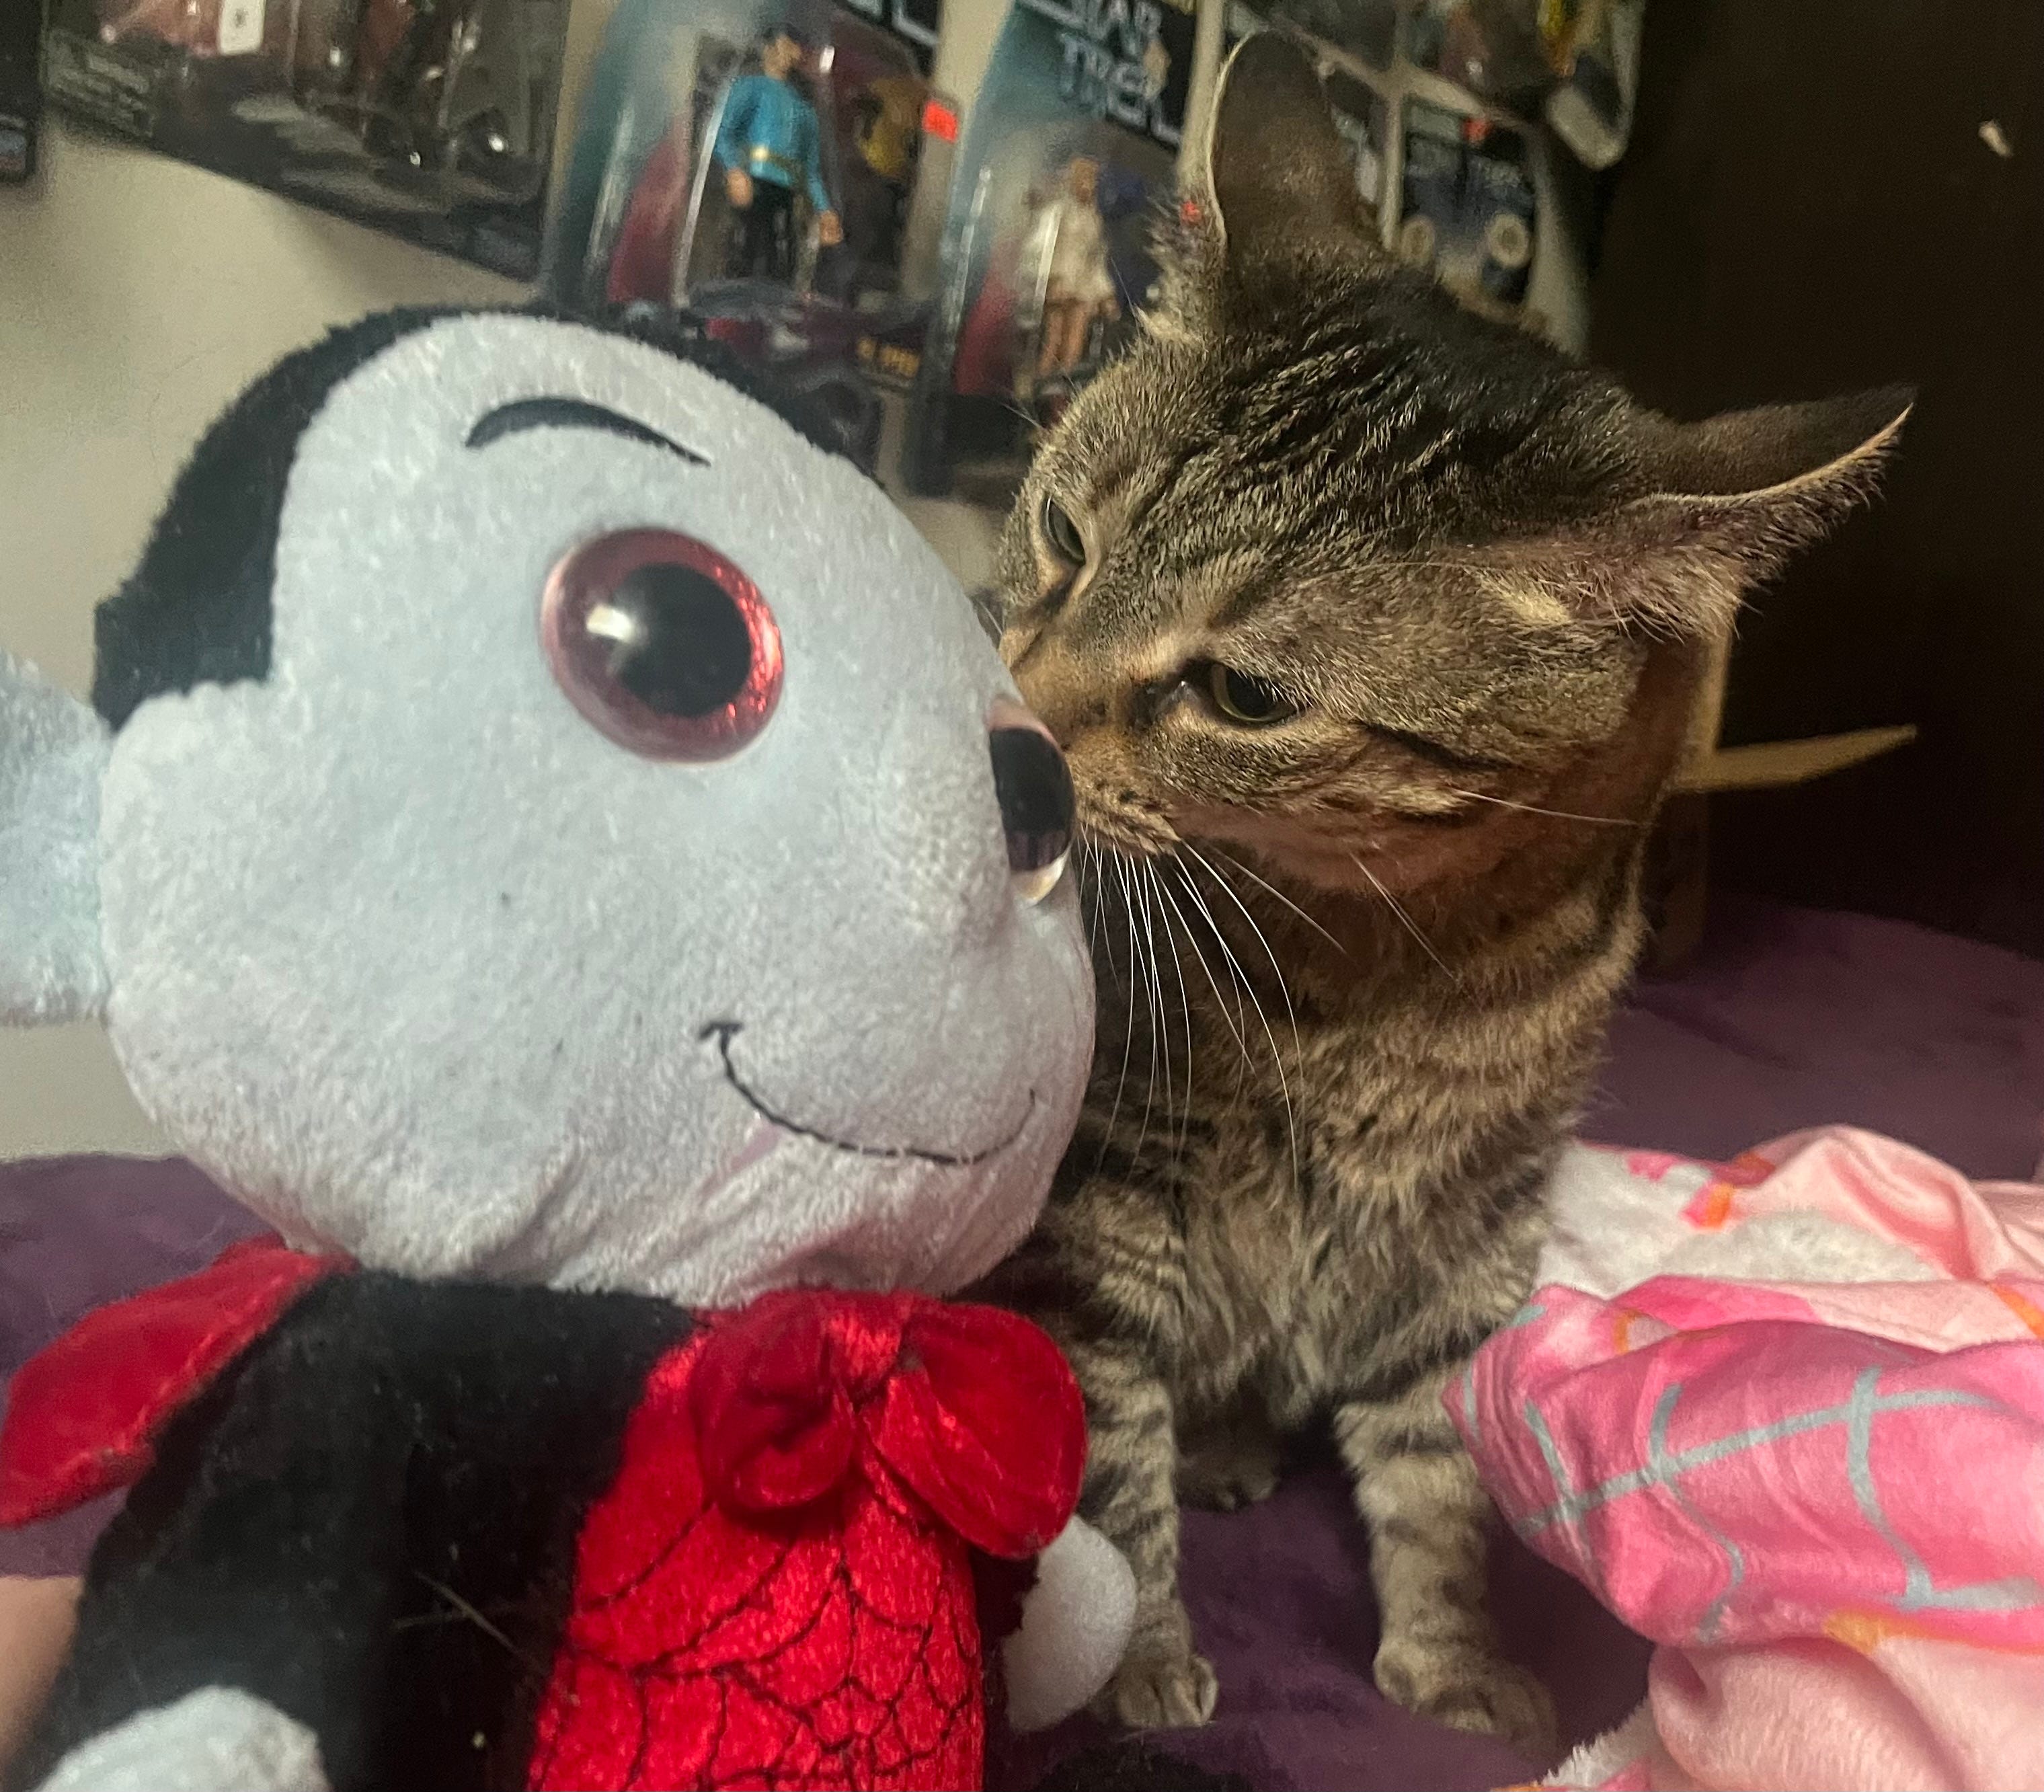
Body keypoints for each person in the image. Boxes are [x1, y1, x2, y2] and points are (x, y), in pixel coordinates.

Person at [715, 26, 842, 283]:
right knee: (746, 248)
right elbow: (723, 133)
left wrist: (825, 210)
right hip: (753, 185)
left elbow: (811, 171)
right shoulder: (751, 87)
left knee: (782, 256)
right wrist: (734, 170)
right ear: (768, 49)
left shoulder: (805, 109)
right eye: (785, 45)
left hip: (787, 193)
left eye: (794, 48)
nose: (790, 53)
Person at [1027, 156, 1119, 380]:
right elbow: (1042, 247)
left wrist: (1106, 294)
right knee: (1053, 340)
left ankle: (1062, 390)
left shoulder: (1094, 218)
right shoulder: (1059, 211)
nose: (1089, 186)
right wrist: (1051, 278)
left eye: (1092, 181)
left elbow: (1096, 261)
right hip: (1060, 282)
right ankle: (1040, 385)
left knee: (1074, 345)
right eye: (1084, 179)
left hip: (1083, 287)